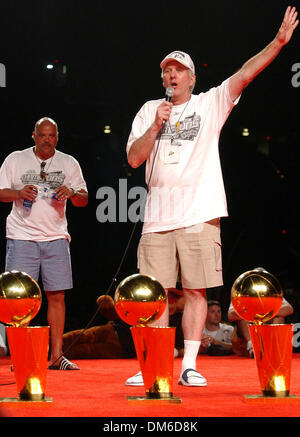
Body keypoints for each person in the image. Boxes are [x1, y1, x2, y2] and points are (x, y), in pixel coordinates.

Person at [125, 7, 298, 387]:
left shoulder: (209, 102)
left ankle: (188, 364)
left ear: (191, 77)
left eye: (179, 69)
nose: (172, 74)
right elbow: (135, 158)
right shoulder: (150, 111)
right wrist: (156, 126)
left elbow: (245, 74)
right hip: (157, 217)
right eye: (167, 70)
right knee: (154, 296)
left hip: (199, 213)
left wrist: (278, 42)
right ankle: (153, 364)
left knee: (196, 290)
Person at [0, 117, 88, 370]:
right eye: (42, 135)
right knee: (19, 300)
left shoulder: (68, 162)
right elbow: (1, 191)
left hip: (55, 237)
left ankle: (56, 356)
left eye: (51, 135)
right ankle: (20, 356)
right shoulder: (16, 159)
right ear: (34, 136)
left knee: (57, 296)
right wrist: (18, 193)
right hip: (22, 236)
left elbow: (84, 198)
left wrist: (71, 192)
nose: (47, 140)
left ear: (57, 137)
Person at [228, 297, 294, 357]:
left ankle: (273, 348)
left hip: (267, 332)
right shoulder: (241, 293)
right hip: (244, 341)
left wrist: (264, 313)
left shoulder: (270, 292)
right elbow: (230, 315)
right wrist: (252, 314)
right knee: (242, 318)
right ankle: (252, 346)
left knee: (279, 317)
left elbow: (289, 309)